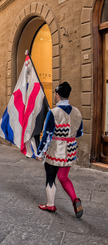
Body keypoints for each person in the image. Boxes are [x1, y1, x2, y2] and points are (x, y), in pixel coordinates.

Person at [36, 82, 84, 218]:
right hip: (70, 150)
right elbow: (79, 133)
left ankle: (50, 204)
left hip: (55, 149)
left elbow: (47, 135)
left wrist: (40, 152)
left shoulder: (53, 112)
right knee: (63, 177)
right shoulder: (77, 112)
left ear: (57, 95)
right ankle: (75, 200)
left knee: (51, 177)